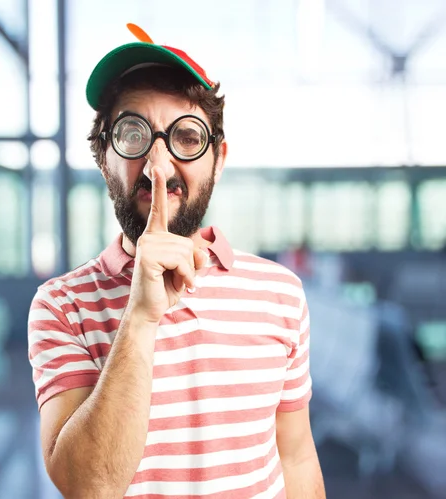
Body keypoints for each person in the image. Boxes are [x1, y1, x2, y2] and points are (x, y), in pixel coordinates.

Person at [28, 23, 325, 499]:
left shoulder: (282, 293)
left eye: (187, 137)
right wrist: (141, 318)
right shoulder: (61, 306)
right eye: (132, 134)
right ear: (104, 157)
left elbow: (296, 455)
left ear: (218, 158)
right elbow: (88, 487)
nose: (158, 165)